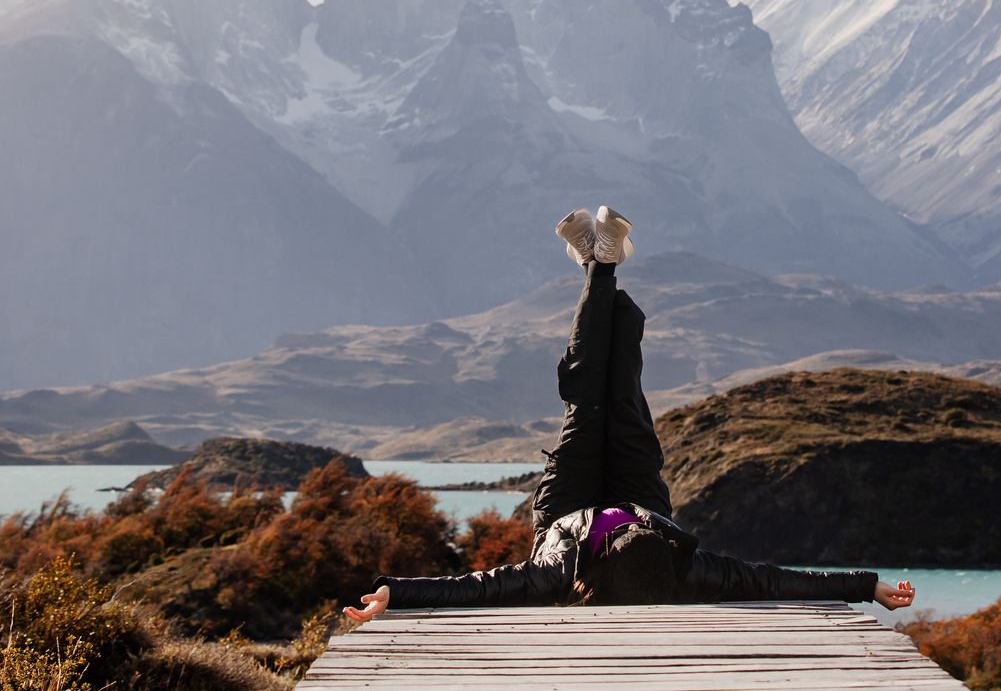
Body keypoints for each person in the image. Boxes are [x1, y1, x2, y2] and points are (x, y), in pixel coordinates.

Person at [344, 205, 916, 619]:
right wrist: (867, 585)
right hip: (634, 491)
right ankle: (598, 263)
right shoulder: (685, 568)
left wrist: (393, 591)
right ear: (665, 547)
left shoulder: (559, 570)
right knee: (600, 394)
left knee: (602, 392)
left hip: (569, 505)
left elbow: (473, 589)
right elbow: (777, 581)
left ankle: (599, 264)